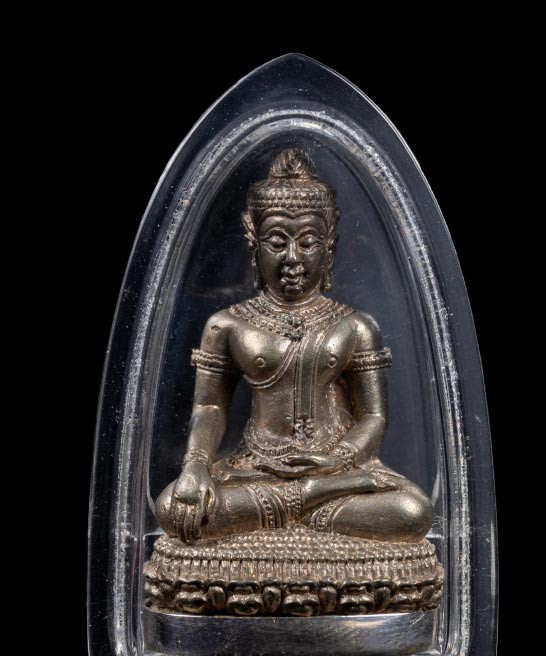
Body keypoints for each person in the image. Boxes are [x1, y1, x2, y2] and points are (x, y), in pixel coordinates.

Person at [155, 148, 432, 546]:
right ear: (253, 245)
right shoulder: (228, 325)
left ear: (329, 247)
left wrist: (337, 460)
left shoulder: (355, 326)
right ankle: (308, 503)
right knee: (172, 507)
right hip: (256, 467)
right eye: (276, 242)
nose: (291, 258)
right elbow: (209, 408)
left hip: (336, 470)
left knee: (412, 510)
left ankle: (295, 505)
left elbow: (373, 416)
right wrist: (196, 467)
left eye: (307, 242)